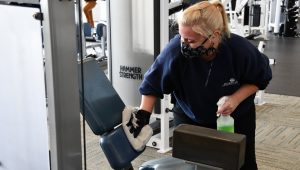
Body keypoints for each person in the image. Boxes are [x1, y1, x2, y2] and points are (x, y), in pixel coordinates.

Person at [125, 0, 272, 170]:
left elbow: (259, 79)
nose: (184, 45)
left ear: (214, 35)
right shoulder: (175, 51)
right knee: (190, 167)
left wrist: (235, 99)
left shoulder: (239, 50)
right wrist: (143, 114)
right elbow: (152, 84)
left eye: (191, 41)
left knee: (240, 165)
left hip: (235, 119)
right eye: (182, 38)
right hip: (190, 117)